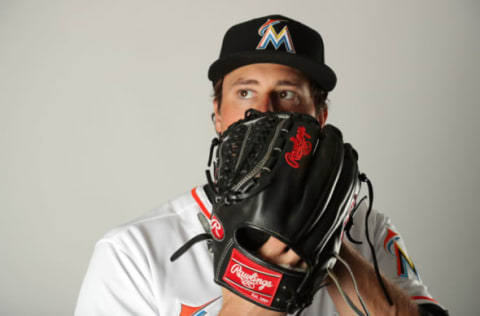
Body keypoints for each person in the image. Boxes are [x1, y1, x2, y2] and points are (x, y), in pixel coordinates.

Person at [75, 15, 448, 316]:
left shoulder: (365, 230)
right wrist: (257, 282)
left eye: (287, 93)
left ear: (320, 117)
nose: (265, 110)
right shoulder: (132, 252)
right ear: (218, 115)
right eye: (245, 92)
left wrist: (328, 249)